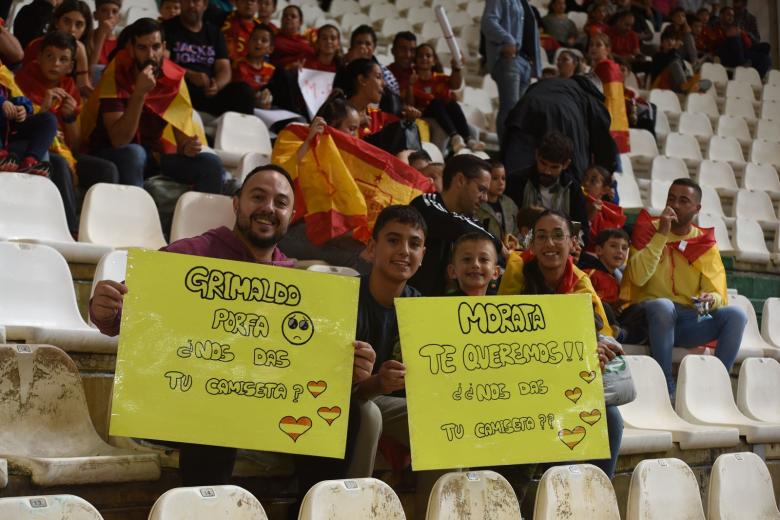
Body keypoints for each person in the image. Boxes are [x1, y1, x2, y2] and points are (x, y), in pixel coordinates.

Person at [89, 165, 379, 517]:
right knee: (217, 417)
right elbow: (130, 319)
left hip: (263, 406)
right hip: (188, 406)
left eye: (280, 202)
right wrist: (106, 311)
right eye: (258, 197)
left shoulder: (299, 284)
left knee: (343, 418)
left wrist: (347, 367)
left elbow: (307, 367)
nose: (268, 207)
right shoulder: (187, 256)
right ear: (237, 203)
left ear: (292, 215)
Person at [499, 209, 623, 478]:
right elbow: (503, 328)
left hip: (565, 382)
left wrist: (598, 349)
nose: (550, 244)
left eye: (558, 236)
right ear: (532, 243)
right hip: (522, 381)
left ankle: (600, 495)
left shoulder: (580, 282)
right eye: (541, 237)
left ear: (573, 243)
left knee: (611, 417)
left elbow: (603, 335)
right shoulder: (517, 268)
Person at [620, 179, 748, 395]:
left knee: (736, 314)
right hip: (647, 318)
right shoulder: (649, 230)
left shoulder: (703, 243)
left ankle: (717, 388)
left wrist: (710, 300)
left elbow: (717, 294)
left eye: (683, 200)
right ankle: (665, 384)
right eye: (671, 198)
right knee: (663, 306)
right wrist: (661, 234)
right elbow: (638, 278)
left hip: (686, 320)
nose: (675, 205)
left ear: (697, 209)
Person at [81, 17, 224, 192]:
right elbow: (119, 140)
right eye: (142, 48)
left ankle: (203, 219)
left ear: (164, 48)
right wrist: (139, 93)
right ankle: (136, 216)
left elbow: (182, 141)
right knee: (134, 153)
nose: (150, 55)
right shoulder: (116, 72)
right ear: (131, 50)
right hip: (113, 153)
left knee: (211, 163)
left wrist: (188, 146)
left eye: (156, 47)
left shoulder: (173, 78)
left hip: (152, 156)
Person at [16, 30, 120, 232]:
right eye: (50, 57)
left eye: (63, 59)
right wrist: (44, 109)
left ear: (71, 65)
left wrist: (70, 116)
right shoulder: (22, 80)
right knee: (60, 164)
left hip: (65, 152)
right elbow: (18, 129)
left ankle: (101, 232)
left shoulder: (70, 87)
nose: (55, 64)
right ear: (39, 57)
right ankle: (69, 231)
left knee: (108, 170)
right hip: (35, 150)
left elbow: (75, 144)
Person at [409, 154, 501, 296]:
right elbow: (455, 225)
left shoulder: (471, 221)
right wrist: (498, 244)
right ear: (460, 180)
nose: (485, 198)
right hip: (410, 305)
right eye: (481, 189)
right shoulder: (425, 204)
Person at [502, 76, 617, 185]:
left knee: (515, 172)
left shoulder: (554, 82)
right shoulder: (591, 97)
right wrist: (607, 174)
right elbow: (604, 144)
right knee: (572, 173)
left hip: (524, 113)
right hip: (563, 116)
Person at [163, 0, 255, 115]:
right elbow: (163, 63)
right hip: (181, 89)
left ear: (205, 5)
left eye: (196, 2)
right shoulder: (167, 28)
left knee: (243, 91)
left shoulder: (215, 33)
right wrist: (189, 75)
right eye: (187, 1)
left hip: (209, 92)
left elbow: (224, 68)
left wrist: (217, 85)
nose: (191, 5)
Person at [508, 131, 589, 243]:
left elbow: (581, 229)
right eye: (543, 163)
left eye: (554, 167)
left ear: (565, 165)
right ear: (536, 155)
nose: (547, 171)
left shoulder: (572, 188)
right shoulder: (517, 181)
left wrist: (573, 245)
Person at [481, 0, 541, 144]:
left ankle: (515, 148)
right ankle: (507, 150)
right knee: (510, 108)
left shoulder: (522, 2)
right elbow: (488, 22)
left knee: (520, 111)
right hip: (509, 60)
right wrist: (508, 40)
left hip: (523, 61)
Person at [407, 43, 482, 153]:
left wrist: (456, 68)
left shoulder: (440, 78)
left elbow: (455, 85)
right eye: (420, 56)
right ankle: (455, 137)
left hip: (443, 116)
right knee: (436, 102)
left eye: (428, 56)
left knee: (452, 104)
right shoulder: (412, 79)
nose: (424, 58)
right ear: (415, 60)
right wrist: (409, 85)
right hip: (424, 115)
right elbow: (410, 104)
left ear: (434, 61)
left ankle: (468, 140)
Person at [23, 0, 94, 97]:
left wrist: (82, 60)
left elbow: (84, 95)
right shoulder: (37, 45)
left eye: (79, 25)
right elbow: (25, 83)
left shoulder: (82, 50)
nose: (72, 29)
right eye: (66, 21)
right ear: (56, 23)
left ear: (85, 30)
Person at [344, 25, 402, 115]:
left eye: (368, 44)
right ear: (352, 46)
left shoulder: (385, 72)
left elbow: (393, 102)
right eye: (359, 43)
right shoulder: (342, 66)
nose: (363, 47)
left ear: (374, 47)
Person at [587, 32, 630, 154]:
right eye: (591, 45)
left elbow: (609, 100)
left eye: (598, 45)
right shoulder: (605, 66)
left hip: (606, 122)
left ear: (608, 49)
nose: (593, 48)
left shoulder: (605, 67)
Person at [650, 26, 710, 94]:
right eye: (667, 40)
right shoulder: (658, 56)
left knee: (707, 82)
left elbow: (685, 72)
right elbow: (665, 68)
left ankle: (691, 88)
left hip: (677, 85)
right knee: (675, 64)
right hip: (661, 84)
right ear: (662, 43)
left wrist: (690, 78)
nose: (670, 42)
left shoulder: (677, 56)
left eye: (672, 40)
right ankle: (687, 88)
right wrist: (674, 50)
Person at [581, 165, 625, 252]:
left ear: (604, 190)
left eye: (593, 181)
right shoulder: (573, 204)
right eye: (585, 178)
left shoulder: (608, 217)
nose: (586, 183)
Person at [231, 23, 275, 109]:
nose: (258, 42)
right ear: (248, 42)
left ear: (270, 49)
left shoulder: (272, 70)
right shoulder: (237, 64)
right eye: (254, 39)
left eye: (264, 40)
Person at [476, 159, 519, 241]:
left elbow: (517, 229)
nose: (501, 183)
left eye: (503, 178)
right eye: (495, 178)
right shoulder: (477, 205)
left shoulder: (510, 204)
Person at [447, 232, 499, 296]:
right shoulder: (439, 304)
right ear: (452, 271)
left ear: (495, 272)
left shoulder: (503, 303)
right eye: (467, 259)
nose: (475, 264)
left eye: (483, 259)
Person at [90, 0, 120, 66]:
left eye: (114, 11)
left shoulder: (120, 43)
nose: (110, 15)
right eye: (104, 10)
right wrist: (102, 34)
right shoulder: (87, 37)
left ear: (119, 18)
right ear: (95, 15)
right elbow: (90, 69)